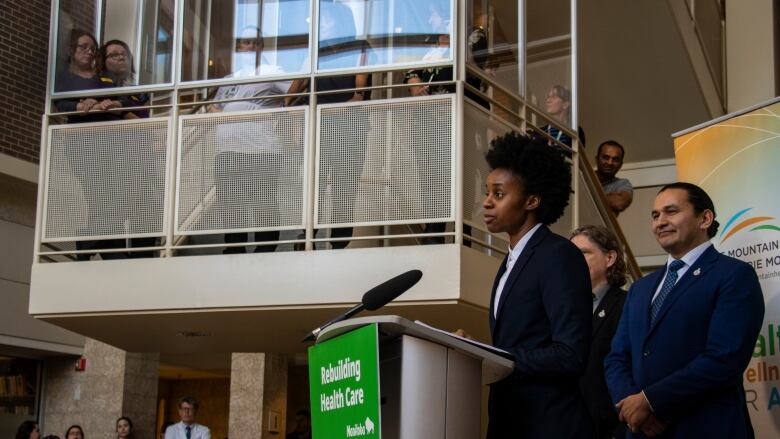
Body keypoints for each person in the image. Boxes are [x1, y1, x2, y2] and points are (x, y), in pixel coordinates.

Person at [604, 182, 765, 438]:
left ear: (705, 218)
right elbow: (616, 358)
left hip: (705, 428)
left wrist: (650, 402)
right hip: (642, 431)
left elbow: (724, 358)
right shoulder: (640, 289)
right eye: (655, 215)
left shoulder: (734, 275)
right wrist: (632, 405)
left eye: (671, 211)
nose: (660, 222)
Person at [480, 131, 593, 438]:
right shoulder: (510, 262)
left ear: (531, 200)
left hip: (548, 424)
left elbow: (570, 353)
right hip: (510, 421)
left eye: (499, 194)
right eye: (486, 192)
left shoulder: (558, 255)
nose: (487, 203)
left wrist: (493, 357)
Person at [287, 1, 369, 249]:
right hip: (318, 124)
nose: (321, 24)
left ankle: (339, 243)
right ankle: (307, 235)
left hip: (348, 125)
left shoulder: (357, 46)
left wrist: (353, 99)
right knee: (313, 182)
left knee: (345, 186)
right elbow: (299, 81)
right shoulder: (316, 50)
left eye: (327, 19)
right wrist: (287, 104)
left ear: (341, 22)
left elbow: (360, 89)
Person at [209, 26, 292, 254]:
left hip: (261, 151)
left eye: (255, 43)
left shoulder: (272, 70)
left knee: (263, 203)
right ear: (239, 47)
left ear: (261, 47)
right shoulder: (229, 79)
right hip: (227, 151)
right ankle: (234, 251)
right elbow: (214, 107)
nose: (250, 46)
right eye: (246, 42)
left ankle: (265, 251)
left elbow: (296, 91)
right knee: (230, 204)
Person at [55, 30, 128, 260]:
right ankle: (92, 245)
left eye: (92, 49)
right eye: (83, 47)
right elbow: (60, 104)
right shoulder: (64, 78)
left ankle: (99, 248)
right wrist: (81, 105)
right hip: (84, 146)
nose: (89, 52)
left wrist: (112, 101)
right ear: (71, 50)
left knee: (117, 197)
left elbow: (124, 97)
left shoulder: (102, 78)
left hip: (112, 146)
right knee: (99, 197)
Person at [571, 225, 628, 439]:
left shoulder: (628, 305)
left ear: (610, 258)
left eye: (583, 253)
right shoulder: (558, 308)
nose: (573, 260)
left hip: (608, 428)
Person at [537, 84, 586, 149]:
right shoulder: (541, 131)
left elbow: (575, 157)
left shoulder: (575, 131)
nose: (548, 101)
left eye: (554, 97)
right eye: (548, 97)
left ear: (565, 104)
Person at [596, 140, 633, 215]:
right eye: (606, 157)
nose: (610, 162)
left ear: (621, 164)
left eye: (615, 159)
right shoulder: (583, 176)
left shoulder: (623, 184)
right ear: (597, 159)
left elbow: (619, 203)